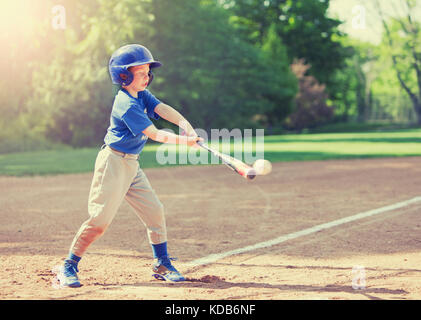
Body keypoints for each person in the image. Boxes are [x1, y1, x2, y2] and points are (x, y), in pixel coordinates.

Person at [60, 44, 202, 287]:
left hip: (131, 164)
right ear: (123, 76)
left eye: (149, 72)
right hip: (113, 163)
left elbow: (162, 108)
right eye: (142, 72)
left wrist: (185, 124)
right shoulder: (126, 103)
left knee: (154, 211)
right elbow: (154, 134)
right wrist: (184, 140)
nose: (148, 77)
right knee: (99, 221)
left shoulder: (141, 94)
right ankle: (68, 267)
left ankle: (161, 262)